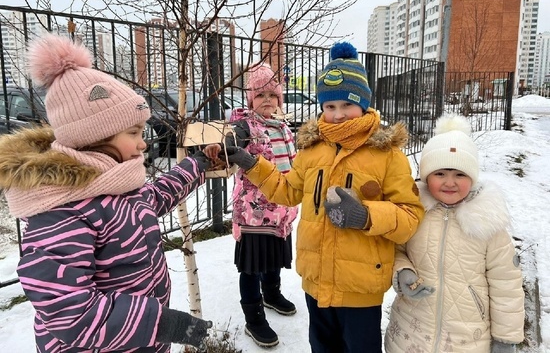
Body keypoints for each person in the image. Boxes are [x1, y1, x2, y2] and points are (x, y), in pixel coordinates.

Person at [0, 34, 213, 353]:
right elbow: (71, 314)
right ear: (94, 136)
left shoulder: (116, 186)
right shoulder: (62, 211)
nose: (143, 143)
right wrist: (162, 324)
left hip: (140, 342)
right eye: (133, 133)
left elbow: (155, 197)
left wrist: (201, 162)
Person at [215, 42, 425, 352]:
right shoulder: (313, 150)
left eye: (347, 104)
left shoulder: (386, 154)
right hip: (316, 282)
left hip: (360, 286)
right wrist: (252, 164)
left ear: (364, 103)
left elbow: (409, 216)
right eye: (330, 106)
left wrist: (366, 216)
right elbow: (287, 191)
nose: (338, 115)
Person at [384, 114, 525, 353]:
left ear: (472, 177)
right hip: (411, 332)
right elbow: (394, 249)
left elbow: (506, 284)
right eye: (440, 174)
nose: (450, 182)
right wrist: (402, 271)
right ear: (426, 176)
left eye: (460, 174)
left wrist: (505, 338)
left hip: (466, 339)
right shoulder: (414, 212)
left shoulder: (487, 222)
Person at [203, 63, 298, 348]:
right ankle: (253, 316)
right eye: (260, 95)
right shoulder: (244, 125)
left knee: (273, 257)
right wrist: (219, 147)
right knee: (252, 266)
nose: (267, 100)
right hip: (253, 212)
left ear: (279, 99)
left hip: (281, 209)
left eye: (272, 94)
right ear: (250, 100)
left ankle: (271, 294)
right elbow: (230, 141)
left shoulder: (282, 125)